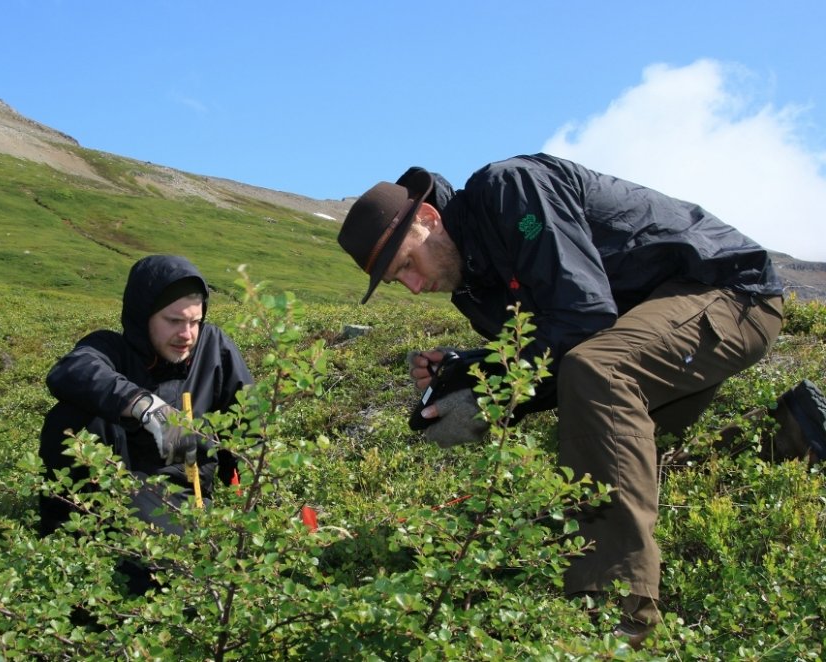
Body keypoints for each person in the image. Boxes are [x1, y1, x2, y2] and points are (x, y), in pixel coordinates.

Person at [336, 153, 826, 648]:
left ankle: (621, 607)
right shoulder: (475, 290)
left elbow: (584, 321)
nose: (416, 286)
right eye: (400, 281)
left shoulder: (510, 191)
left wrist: (493, 391)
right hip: (655, 324)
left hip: (728, 291)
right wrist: (469, 374)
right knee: (614, 458)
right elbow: (548, 363)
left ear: (427, 218)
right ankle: (787, 437)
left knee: (599, 373)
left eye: (407, 264)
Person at [38, 254, 253, 543]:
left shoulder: (213, 348)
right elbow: (70, 371)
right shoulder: (111, 348)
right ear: (143, 316)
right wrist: (146, 406)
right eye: (174, 320)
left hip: (182, 494)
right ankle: (67, 535)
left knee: (160, 565)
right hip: (113, 484)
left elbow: (251, 425)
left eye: (195, 321)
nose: (187, 335)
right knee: (72, 414)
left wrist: (253, 498)